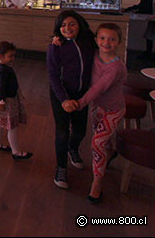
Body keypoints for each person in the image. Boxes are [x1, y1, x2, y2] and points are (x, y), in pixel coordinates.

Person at [75, 23, 127, 204]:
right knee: (102, 140)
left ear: (119, 42)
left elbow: (98, 88)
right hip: (97, 108)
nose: (107, 42)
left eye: (112, 39)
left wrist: (80, 103)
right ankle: (111, 152)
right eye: (103, 38)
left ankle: (97, 182)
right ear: (96, 40)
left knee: (97, 143)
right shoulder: (95, 55)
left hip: (113, 110)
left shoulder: (116, 67)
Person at [46, 10, 96, 190]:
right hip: (61, 95)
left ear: (79, 24)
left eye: (71, 24)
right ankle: (61, 167)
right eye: (63, 25)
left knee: (80, 129)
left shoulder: (89, 41)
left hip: (83, 94)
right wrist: (64, 99)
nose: (67, 28)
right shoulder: (56, 46)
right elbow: (53, 75)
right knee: (62, 132)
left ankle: (72, 148)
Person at [0, 41, 33, 160]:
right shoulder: (4, 70)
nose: (13, 58)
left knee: (0, 122)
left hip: (3, 100)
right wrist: (2, 102)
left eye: (13, 55)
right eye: (10, 56)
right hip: (6, 102)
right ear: (0, 56)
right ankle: (16, 151)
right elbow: (1, 88)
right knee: (11, 126)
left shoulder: (2, 68)